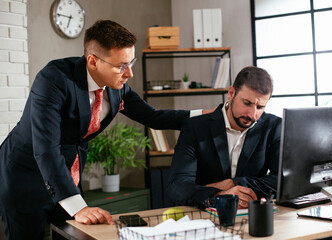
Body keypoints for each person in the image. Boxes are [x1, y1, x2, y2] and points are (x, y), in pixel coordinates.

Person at [0, 20, 208, 239]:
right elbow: (46, 148)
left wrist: (207, 115)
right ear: (92, 61)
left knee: (73, 236)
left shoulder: (117, 88)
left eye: (131, 62)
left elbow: (154, 117)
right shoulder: (54, 79)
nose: (129, 74)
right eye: (121, 66)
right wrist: (78, 207)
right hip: (25, 176)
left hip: (66, 176)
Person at [167, 66, 282, 209]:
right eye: (247, 103)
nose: (252, 115)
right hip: (204, 216)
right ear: (231, 93)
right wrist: (219, 194)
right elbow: (177, 187)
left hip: (251, 215)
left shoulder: (274, 127)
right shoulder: (194, 128)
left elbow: (284, 180)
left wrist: (233, 183)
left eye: (260, 107)